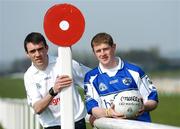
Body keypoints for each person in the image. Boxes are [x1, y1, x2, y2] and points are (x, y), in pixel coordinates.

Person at [84, 32, 158, 125]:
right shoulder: (91, 77)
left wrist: (144, 107)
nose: (102, 54)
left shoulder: (135, 71)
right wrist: (109, 112)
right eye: (98, 51)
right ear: (94, 52)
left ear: (113, 47)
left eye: (105, 49)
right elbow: (94, 109)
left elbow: (153, 99)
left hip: (139, 125)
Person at [23, 32, 90, 129]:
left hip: (76, 121)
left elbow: (93, 78)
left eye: (40, 49)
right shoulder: (29, 76)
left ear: (46, 48)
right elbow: (37, 108)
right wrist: (53, 91)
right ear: (27, 54)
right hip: (51, 125)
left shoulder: (65, 62)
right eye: (33, 51)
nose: (37, 54)